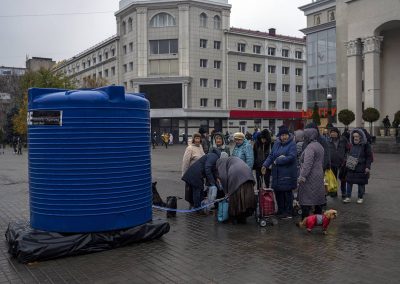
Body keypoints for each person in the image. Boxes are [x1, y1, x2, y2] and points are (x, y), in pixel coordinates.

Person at [261, 125, 297, 219]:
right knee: (278, 192)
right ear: (279, 136)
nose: (284, 137)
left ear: (288, 135)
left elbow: (292, 157)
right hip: (277, 174)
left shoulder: (292, 144)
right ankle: (281, 210)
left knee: (286, 193)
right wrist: (265, 165)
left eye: (285, 135)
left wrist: (278, 161)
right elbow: (271, 156)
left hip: (287, 174)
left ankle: (288, 212)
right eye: (282, 135)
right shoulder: (276, 144)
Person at [297, 128, 326, 221]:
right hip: (319, 174)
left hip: (310, 176)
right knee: (317, 199)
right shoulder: (319, 146)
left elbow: (307, 164)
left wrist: (302, 176)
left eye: (305, 135)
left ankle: (305, 221)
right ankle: (318, 220)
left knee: (306, 200)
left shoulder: (310, 147)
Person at [216, 156, 256, 224]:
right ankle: (243, 216)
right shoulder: (230, 159)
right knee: (246, 195)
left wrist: (226, 192)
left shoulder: (220, 163)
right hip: (247, 172)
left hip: (236, 173)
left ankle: (235, 217)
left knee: (236, 196)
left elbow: (223, 177)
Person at [343, 128, 373, 204]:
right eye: (354, 136)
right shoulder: (350, 145)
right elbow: (347, 153)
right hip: (351, 166)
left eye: (357, 136)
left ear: (361, 137)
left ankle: (360, 197)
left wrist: (367, 167)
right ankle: (348, 197)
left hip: (361, 166)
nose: (355, 138)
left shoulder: (366, 145)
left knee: (361, 183)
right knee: (349, 182)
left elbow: (369, 157)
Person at [182, 133, 205, 208]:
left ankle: (196, 205)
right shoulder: (190, 148)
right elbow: (185, 162)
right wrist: (184, 175)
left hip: (200, 174)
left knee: (199, 190)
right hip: (192, 174)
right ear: (193, 139)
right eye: (196, 138)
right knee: (195, 190)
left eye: (199, 138)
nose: (197, 140)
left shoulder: (201, 147)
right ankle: (196, 207)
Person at [327, 127, 347, 198]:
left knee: (343, 179)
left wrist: (345, 158)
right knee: (333, 178)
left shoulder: (343, 140)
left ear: (337, 133)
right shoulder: (328, 141)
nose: (333, 134)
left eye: (334, 132)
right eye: (331, 132)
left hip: (342, 163)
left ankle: (344, 193)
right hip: (332, 163)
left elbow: (347, 150)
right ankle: (334, 192)